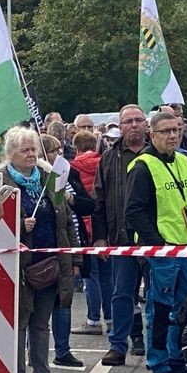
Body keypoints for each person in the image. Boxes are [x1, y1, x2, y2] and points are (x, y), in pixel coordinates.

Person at [0, 128, 75, 373]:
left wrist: (73, 257)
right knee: (19, 323)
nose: (32, 154)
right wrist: (19, 226)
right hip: (16, 266)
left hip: (50, 263)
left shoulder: (50, 179)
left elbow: (65, 219)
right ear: (10, 154)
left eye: (34, 149)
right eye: (25, 150)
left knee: (41, 324)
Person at [125, 111, 187, 373]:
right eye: (166, 131)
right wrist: (156, 243)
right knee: (160, 309)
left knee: (185, 307)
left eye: (176, 130)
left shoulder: (184, 161)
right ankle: (159, 367)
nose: (172, 136)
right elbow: (133, 211)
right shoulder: (142, 166)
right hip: (162, 250)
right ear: (152, 135)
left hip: (186, 247)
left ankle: (177, 359)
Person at [93, 105, 150, 365]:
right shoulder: (109, 157)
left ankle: (157, 346)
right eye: (129, 121)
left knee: (157, 295)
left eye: (139, 120)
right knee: (122, 294)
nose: (134, 125)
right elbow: (100, 200)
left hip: (155, 238)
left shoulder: (158, 154)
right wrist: (101, 237)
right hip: (121, 237)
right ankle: (118, 345)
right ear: (120, 126)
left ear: (147, 125)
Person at [40, 133, 94, 369]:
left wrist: (76, 257)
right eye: (52, 151)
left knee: (64, 300)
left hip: (67, 243)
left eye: (60, 150)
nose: (58, 155)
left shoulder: (67, 174)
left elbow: (87, 206)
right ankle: (36, 352)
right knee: (40, 307)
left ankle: (63, 350)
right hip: (43, 249)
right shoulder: (37, 180)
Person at [69, 130, 111, 335]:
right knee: (107, 275)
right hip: (103, 224)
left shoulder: (73, 168)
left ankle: (93, 319)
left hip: (85, 226)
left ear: (75, 148)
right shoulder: (105, 163)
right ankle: (110, 317)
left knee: (90, 275)